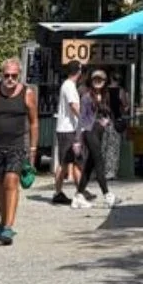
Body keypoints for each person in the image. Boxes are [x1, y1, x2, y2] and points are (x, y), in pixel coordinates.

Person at [0, 57, 38, 245]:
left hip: (17, 146)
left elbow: (34, 122)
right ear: (1, 75)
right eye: (7, 75)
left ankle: (9, 227)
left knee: (11, 181)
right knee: (0, 184)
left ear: (19, 75)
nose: (10, 79)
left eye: (14, 76)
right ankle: (3, 221)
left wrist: (33, 148)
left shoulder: (28, 94)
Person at [71, 69, 117, 209]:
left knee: (90, 164)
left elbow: (109, 114)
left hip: (99, 132)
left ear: (105, 82)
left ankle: (78, 196)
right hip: (89, 131)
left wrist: (107, 121)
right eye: (95, 79)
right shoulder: (86, 97)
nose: (97, 82)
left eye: (100, 79)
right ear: (90, 81)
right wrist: (77, 139)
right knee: (98, 161)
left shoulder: (106, 96)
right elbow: (82, 118)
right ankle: (107, 194)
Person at [53, 60, 83, 205]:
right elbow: (73, 106)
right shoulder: (69, 86)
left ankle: (80, 191)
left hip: (69, 129)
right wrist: (84, 119)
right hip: (67, 129)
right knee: (65, 162)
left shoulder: (68, 85)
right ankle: (58, 192)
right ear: (79, 71)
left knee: (74, 161)